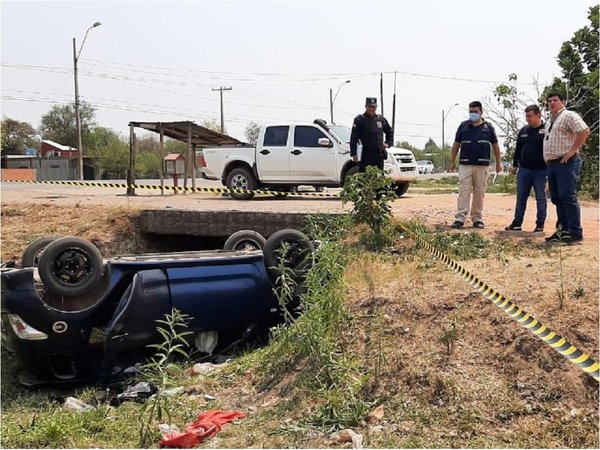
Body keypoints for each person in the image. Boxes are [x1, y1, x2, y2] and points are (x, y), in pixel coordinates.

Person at [543, 92, 590, 243]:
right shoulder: (550, 120)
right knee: (557, 198)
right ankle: (562, 231)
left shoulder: (569, 115)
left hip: (566, 163)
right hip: (552, 164)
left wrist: (572, 151)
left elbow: (584, 130)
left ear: (563, 102)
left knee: (568, 197)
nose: (552, 103)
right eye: (549, 101)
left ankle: (575, 232)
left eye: (555, 100)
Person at [449, 101, 502, 229]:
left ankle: (477, 218)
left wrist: (498, 163)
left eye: (475, 112)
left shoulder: (488, 128)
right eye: (471, 112)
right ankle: (460, 218)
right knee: (464, 191)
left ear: (481, 112)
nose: (473, 114)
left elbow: (495, 146)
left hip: (482, 166)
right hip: (465, 165)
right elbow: (456, 145)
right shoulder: (463, 126)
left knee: (479, 192)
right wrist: (452, 161)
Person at [505, 105, 547, 232]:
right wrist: (514, 165)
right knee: (521, 197)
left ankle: (540, 224)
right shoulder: (523, 131)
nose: (527, 119)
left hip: (541, 170)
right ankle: (517, 222)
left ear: (538, 115)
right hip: (524, 171)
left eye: (530, 116)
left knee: (540, 198)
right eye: (526, 116)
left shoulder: (546, 130)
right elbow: (518, 149)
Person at [350, 97, 393, 172]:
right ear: (366, 106)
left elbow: (390, 131)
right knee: (365, 179)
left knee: (379, 178)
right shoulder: (359, 119)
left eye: (373, 107)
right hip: (365, 155)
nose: (371, 109)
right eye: (369, 106)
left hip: (378, 155)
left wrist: (387, 143)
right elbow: (354, 137)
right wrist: (354, 154)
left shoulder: (381, 119)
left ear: (376, 107)